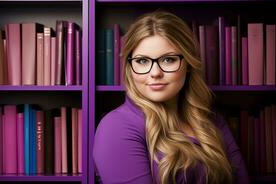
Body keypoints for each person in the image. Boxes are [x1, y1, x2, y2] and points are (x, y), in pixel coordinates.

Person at [93, 10, 249, 184]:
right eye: (142, 61)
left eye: (168, 60)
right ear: (130, 67)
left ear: (188, 64)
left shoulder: (213, 122)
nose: (155, 73)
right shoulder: (116, 127)